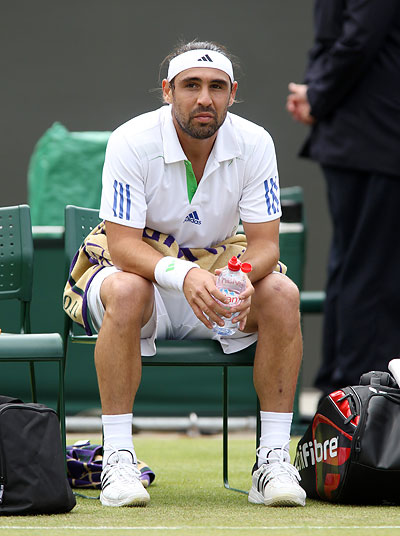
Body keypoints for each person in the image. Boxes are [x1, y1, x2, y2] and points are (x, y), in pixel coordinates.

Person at [65, 40, 306, 508]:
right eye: (191, 85)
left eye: (216, 87)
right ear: (167, 91)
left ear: (232, 93)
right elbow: (122, 247)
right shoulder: (131, 140)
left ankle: (272, 461)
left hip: (216, 284)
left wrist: (237, 278)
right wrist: (184, 275)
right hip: (138, 279)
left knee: (281, 291)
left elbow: (265, 245)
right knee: (128, 290)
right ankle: (118, 459)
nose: (204, 98)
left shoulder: (256, 142)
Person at [287, 1, 400, 396]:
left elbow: (341, 39)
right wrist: (317, 95)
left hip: (357, 137)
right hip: (377, 138)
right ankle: (363, 397)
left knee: (354, 267)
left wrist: (316, 94)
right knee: (373, 273)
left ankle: (341, 390)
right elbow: (357, 39)